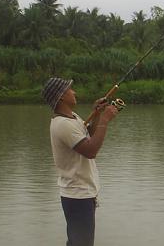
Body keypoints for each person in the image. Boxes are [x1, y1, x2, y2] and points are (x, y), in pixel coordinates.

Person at [42, 77, 118, 246]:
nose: (74, 92)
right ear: (61, 96)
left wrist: (97, 114)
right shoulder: (62, 124)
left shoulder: (72, 117)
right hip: (78, 196)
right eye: (70, 89)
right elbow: (90, 151)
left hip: (81, 194)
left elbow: (88, 134)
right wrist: (105, 120)